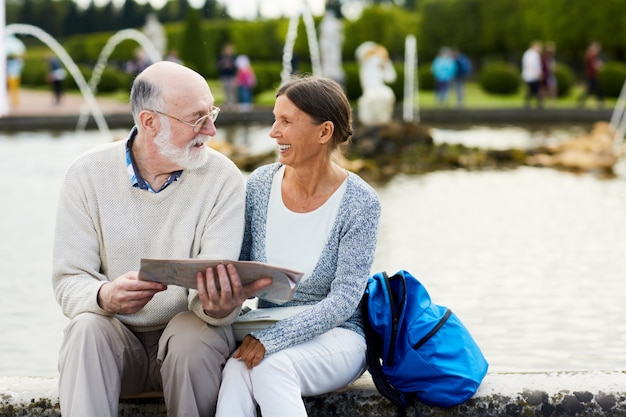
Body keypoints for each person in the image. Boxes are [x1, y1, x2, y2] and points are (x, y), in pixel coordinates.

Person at [52, 61, 271, 417]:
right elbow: (68, 283)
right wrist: (104, 296)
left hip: (192, 344)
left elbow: (210, 305)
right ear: (150, 122)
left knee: (191, 334)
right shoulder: (86, 174)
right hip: (117, 348)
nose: (211, 130)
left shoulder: (222, 178)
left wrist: (219, 305)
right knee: (86, 328)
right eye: (197, 118)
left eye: (211, 113)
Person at [215, 76, 381, 417]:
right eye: (274, 119)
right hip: (267, 325)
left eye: (287, 121)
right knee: (234, 370)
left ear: (324, 132)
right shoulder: (260, 184)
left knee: (268, 366)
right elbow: (243, 269)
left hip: (339, 336)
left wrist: (274, 339)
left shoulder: (361, 202)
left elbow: (345, 300)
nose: (274, 132)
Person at [578, 41, 604, 108]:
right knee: (596, 89)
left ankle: (581, 102)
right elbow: (594, 65)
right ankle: (601, 102)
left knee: (592, 89)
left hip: (592, 75)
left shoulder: (590, 55)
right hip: (591, 75)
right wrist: (599, 66)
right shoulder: (591, 55)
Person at [521, 40, 543, 109]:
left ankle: (531, 103)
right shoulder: (532, 54)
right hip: (532, 75)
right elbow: (532, 65)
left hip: (530, 75)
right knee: (534, 89)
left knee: (533, 89)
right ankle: (537, 103)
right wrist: (537, 73)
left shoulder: (528, 53)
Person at [217, 43, 238, 110]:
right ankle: (227, 104)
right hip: (224, 76)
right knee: (226, 90)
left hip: (232, 76)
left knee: (232, 90)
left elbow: (236, 67)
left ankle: (232, 104)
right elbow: (218, 66)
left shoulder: (234, 57)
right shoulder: (221, 57)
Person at [541, 41, 558, 106]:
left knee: (552, 89)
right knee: (546, 89)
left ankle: (551, 103)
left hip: (550, 75)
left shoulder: (551, 58)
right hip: (547, 75)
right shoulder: (545, 58)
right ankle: (543, 102)